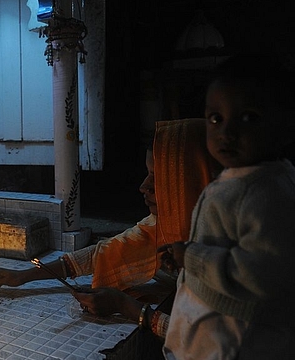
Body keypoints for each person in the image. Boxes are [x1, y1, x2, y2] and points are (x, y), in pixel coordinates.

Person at [74, 53, 295, 359]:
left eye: (249, 117)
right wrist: (26, 275)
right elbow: (110, 249)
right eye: (215, 118)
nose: (227, 132)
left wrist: (188, 258)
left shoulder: (263, 196)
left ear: (187, 178)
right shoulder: (212, 199)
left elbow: (256, 281)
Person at [0, 118, 220, 292]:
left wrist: (131, 311)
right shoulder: (164, 227)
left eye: (158, 178)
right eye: (147, 174)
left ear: (192, 181)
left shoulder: (226, 251)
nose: (143, 186)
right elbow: (106, 252)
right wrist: (24, 277)